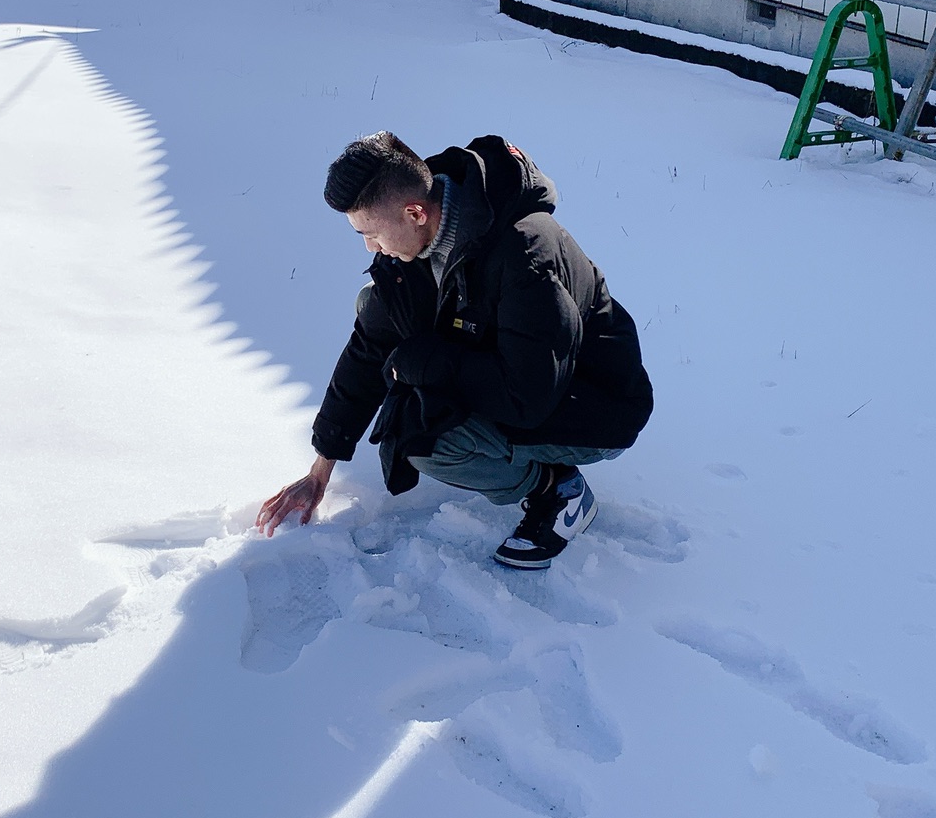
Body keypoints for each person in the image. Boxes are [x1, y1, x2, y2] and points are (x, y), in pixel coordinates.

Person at [257, 132, 654, 568]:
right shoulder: (414, 241)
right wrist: (321, 469)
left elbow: (529, 397)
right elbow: (369, 348)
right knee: (383, 317)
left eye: (369, 233)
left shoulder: (525, 253)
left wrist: (430, 363)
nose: (369, 247)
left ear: (415, 212)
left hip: (593, 401)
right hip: (519, 372)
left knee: (427, 438)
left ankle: (558, 491)